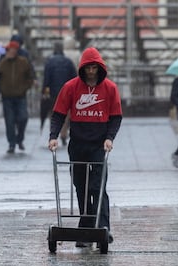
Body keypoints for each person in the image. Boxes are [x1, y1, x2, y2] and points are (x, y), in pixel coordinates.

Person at [48, 47, 122, 247]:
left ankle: (103, 228)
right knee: (80, 186)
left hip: (99, 144)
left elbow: (115, 117)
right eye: (88, 68)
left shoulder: (110, 88)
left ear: (100, 68)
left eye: (94, 68)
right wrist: (53, 136)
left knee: (98, 187)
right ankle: (86, 226)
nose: (91, 72)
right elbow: (59, 113)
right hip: (78, 143)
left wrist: (110, 138)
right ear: (82, 68)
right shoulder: (71, 87)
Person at [0, 41, 35, 154]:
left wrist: (26, 87)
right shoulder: (3, 63)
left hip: (20, 96)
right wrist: (1, 89)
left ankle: (20, 139)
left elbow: (30, 76)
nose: (12, 52)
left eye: (14, 49)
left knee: (23, 117)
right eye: (10, 50)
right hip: (7, 96)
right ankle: (11, 143)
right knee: (9, 121)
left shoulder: (23, 62)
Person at [42, 42, 77, 145]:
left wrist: (44, 90)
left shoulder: (49, 62)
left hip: (53, 92)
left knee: (54, 113)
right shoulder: (68, 62)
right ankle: (63, 134)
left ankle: (53, 133)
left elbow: (46, 78)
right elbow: (74, 77)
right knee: (65, 114)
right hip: (66, 91)